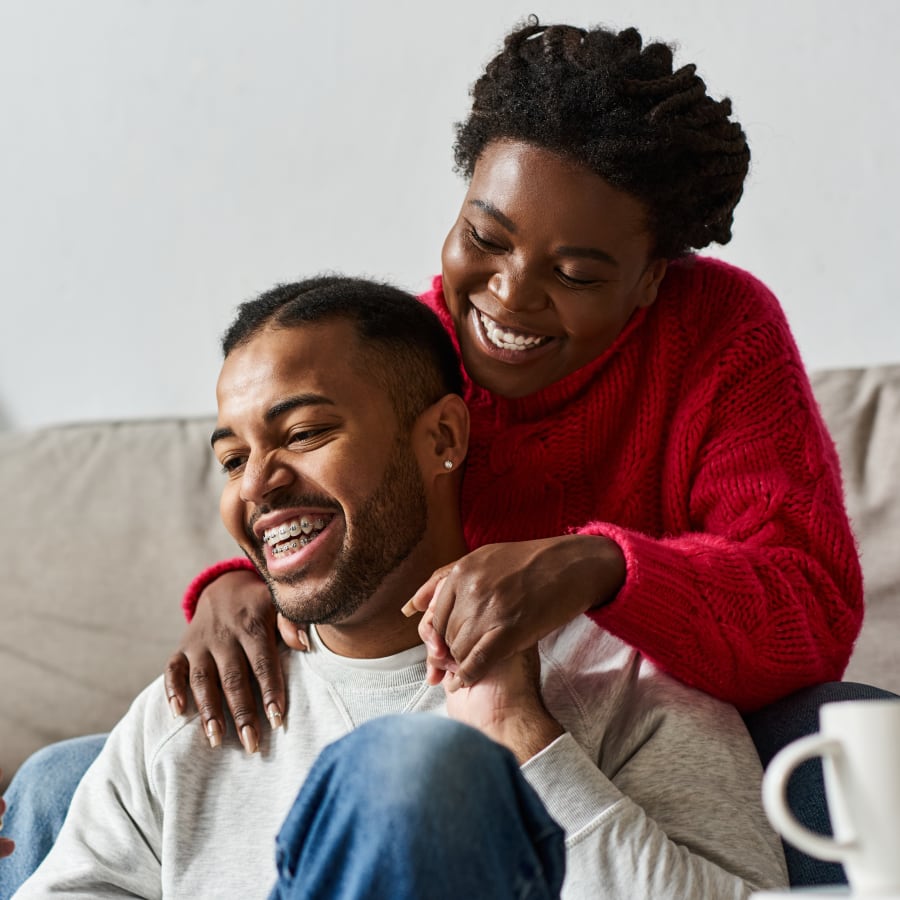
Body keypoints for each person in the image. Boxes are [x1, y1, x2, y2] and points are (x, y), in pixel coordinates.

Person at [1, 17, 866, 890]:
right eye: (486, 239)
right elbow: (334, 513)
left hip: (624, 700)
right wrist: (240, 587)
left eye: (574, 273)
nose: (509, 295)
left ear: (649, 278)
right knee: (55, 785)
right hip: (413, 693)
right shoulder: (409, 357)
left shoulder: (718, 335)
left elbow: (809, 611)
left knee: (847, 740)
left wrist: (598, 567)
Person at [15, 275, 787, 899]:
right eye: (232, 458)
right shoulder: (197, 707)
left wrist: (522, 736)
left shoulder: (625, 683)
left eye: (305, 433)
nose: (259, 486)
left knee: (416, 768)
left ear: (443, 438)